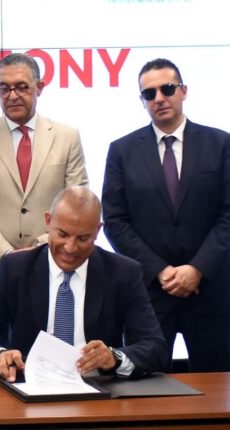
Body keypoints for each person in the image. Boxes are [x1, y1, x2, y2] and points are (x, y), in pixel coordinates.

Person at [0, 187, 169, 381]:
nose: (70, 248)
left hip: (98, 389)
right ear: (48, 221)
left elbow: (156, 347)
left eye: (83, 238)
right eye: (63, 234)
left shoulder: (123, 272)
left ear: (97, 231)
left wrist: (114, 358)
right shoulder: (15, 268)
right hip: (27, 384)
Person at [102, 58, 230, 372]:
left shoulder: (221, 144)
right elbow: (115, 222)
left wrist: (197, 269)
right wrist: (160, 271)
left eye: (167, 89)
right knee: (146, 388)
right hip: (150, 294)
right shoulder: (122, 151)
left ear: (183, 91)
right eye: (149, 93)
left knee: (217, 388)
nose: (159, 98)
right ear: (142, 100)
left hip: (211, 291)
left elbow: (228, 215)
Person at [0, 53, 88, 303]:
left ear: (39, 88)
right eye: (4, 89)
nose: (12, 95)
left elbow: (77, 206)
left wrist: (39, 249)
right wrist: (7, 256)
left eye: (21, 87)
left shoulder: (67, 137)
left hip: (53, 269)